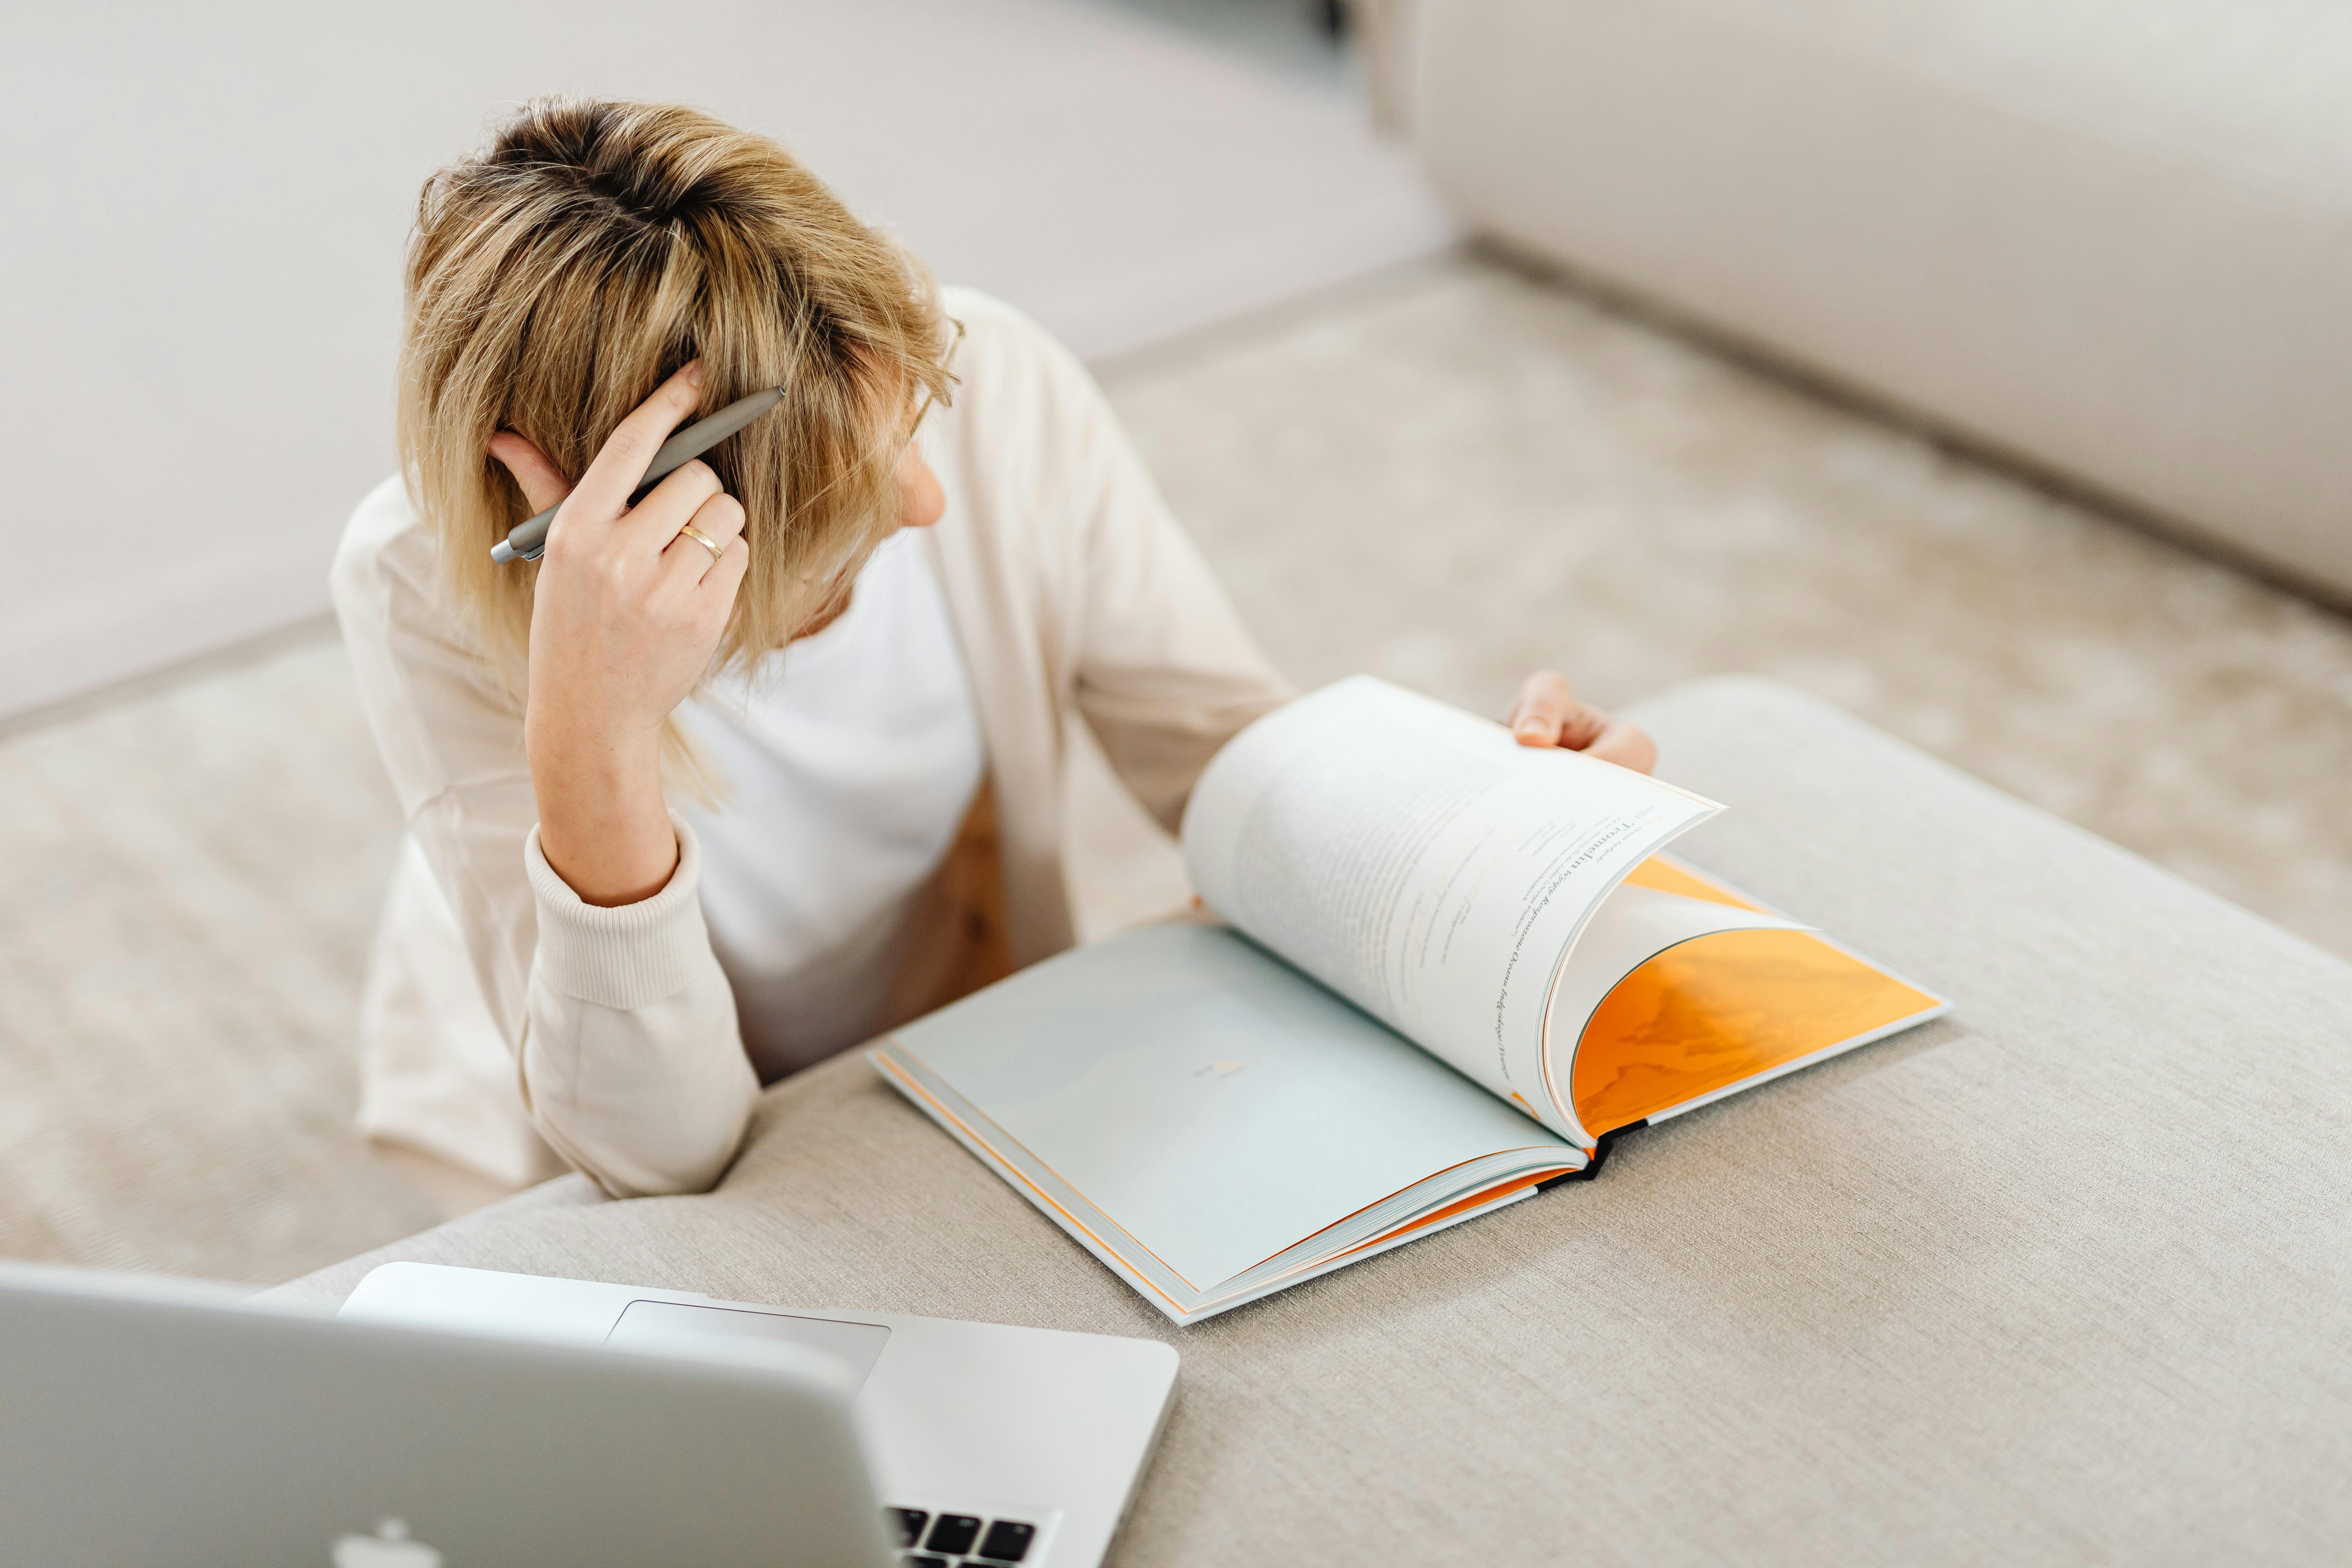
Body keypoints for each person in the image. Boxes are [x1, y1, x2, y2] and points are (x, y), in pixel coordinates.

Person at [335, 96, 1656, 1206]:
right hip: (615, 1084)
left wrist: (1494, 827)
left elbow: (1215, 751)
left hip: (947, 1034)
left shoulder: (1000, 384)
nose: (926, 500)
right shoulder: (416, 587)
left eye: (908, 422)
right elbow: (662, 1160)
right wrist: (594, 737)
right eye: (848, 489)